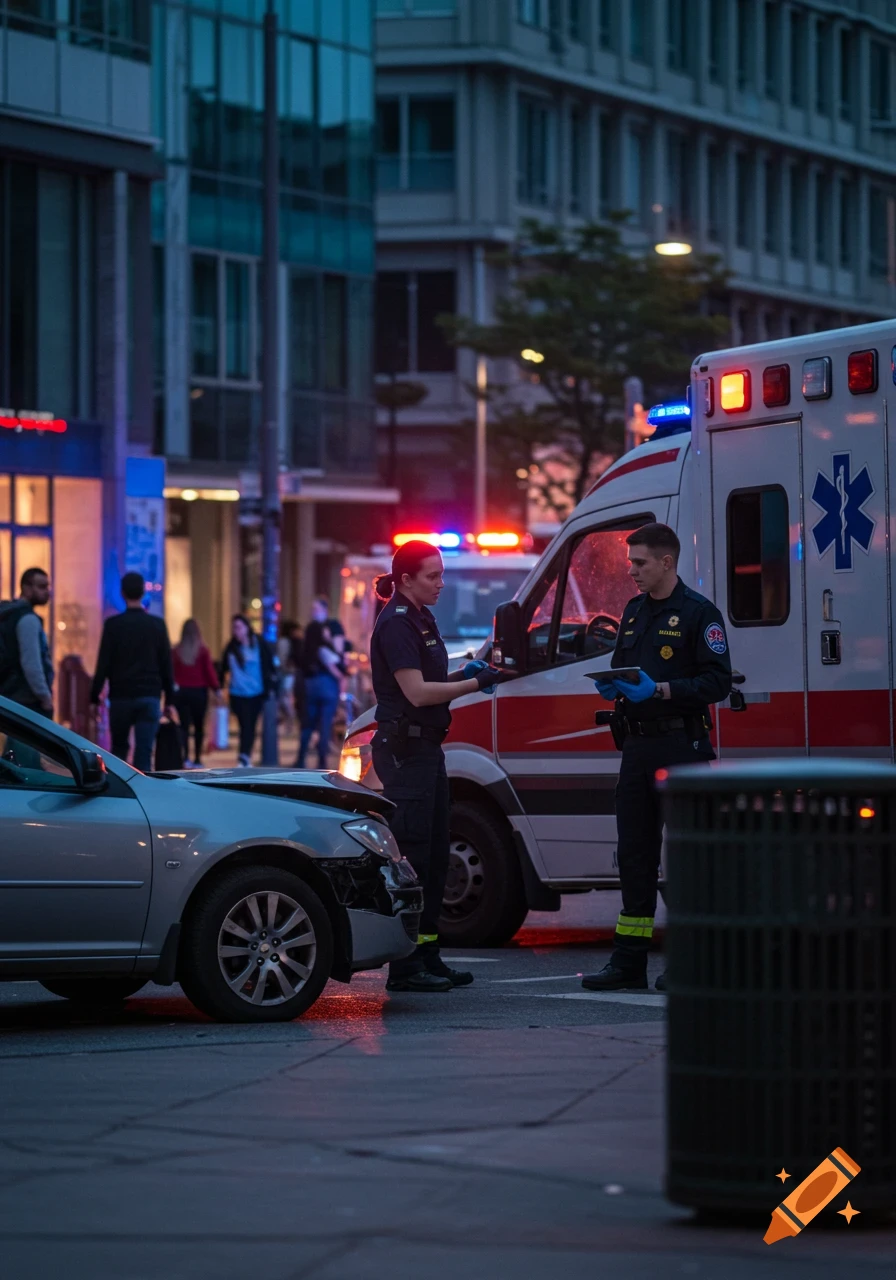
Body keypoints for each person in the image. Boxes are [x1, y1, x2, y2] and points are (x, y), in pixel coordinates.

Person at [582, 523, 732, 995]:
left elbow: (717, 683)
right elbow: (627, 666)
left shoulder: (698, 614)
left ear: (667, 562)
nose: (632, 572)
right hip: (638, 747)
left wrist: (663, 690)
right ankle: (629, 962)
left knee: (685, 859)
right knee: (634, 856)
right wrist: (616, 685)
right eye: (630, 563)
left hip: (680, 748)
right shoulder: (633, 611)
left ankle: (692, 960)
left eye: (640, 563)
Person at [370, 539, 514, 992]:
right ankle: (405, 966)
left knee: (433, 858)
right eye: (432, 576)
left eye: (442, 574)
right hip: (405, 752)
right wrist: (471, 683)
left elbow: (432, 681)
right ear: (406, 580)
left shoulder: (421, 618)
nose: (440, 584)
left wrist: (472, 671)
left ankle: (428, 955)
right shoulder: (395, 624)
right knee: (413, 857)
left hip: (426, 751)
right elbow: (415, 693)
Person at [90, 572, 176, 772]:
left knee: (118, 750)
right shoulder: (157, 625)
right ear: (143, 592)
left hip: (121, 697)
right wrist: (170, 700)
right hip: (149, 696)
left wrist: (94, 697)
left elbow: (103, 664)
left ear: (122, 593)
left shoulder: (113, 625)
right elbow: (166, 665)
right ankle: (143, 793)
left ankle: (120, 792)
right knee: (144, 751)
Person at [296, 597, 344, 769]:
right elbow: (334, 656)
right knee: (324, 723)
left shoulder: (311, 629)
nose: (313, 611)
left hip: (311, 683)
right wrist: (340, 676)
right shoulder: (327, 629)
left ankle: (301, 759)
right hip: (326, 683)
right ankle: (322, 761)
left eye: (315, 608)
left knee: (308, 724)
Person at [220, 614, 274, 767]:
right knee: (245, 724)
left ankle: (245, 756)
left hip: (256, 693)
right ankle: (243, 756)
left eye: (238, 627)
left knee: (251, 725)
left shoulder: (259, 643)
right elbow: (223, 668)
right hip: (237, 693)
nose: (236, 631)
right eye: (234, 628)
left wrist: (270, 686)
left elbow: (269, 664)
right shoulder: (231, 646)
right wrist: (219, 687)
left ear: (246, 628)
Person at [0, 567, 54, 717]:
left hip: (11, 695)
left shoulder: (11, 614)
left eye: (48, 586)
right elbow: (31, 664)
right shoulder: (28, 619)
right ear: (26, 588)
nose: (47, 591)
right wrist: (45, 696)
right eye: (41, 586)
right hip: (27, 701)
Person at [172, 618, 220, 768]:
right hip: (199, 692)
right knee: (199, 726)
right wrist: (216, 689)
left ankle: (185, 757)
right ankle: (198, 758)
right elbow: (209, 672)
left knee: (184, 727)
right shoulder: (203, 651)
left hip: (181, 692)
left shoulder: (176, 650)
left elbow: (171, 672)